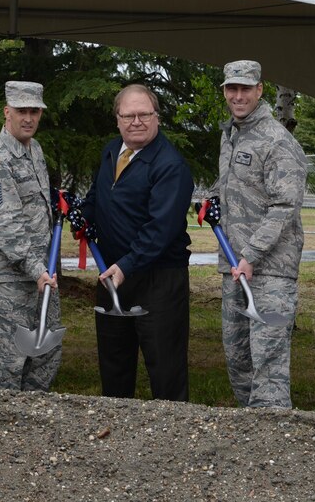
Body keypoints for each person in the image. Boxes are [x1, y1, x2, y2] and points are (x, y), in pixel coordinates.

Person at [81, 84, 194, 401]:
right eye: (128, 115)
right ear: (117, 119)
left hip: (158, 279)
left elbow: (161, 228)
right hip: (112, 274)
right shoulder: (110, 151)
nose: (136, 121)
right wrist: (83, 214)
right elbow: (98, 197)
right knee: (114, 366)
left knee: (165, 369)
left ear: (157, 117)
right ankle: (114, 438)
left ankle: (171, 439)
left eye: (144, 114)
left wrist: (126, 265)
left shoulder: (170, 166)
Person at [211, 60, 307, 409]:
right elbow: (235, 187)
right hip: (234, 267)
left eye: (245, 89)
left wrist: (251, 255)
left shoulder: (277, 141)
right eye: (231, 89)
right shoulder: (232, 134)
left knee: (268, 365)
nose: (238, 96)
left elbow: (285, 205)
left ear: (260, 90)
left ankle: (274, 446)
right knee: (238, 359)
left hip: (270, 271)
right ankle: (252, 447)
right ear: (224, 91)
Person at [0, 81, 60, 391]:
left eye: (34, 111)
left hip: (40, 276)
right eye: (22, 111)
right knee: (8, 361)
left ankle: (33, 426)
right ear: (7, 112)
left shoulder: (34, 149)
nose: (29, 118)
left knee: (45, 355)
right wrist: (39, 270)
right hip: (8, 281)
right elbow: (6, 229)